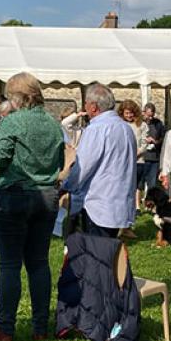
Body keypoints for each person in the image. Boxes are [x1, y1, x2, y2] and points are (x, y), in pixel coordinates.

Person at [0, 72, 63, 341]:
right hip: (47, 196)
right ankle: (41, 328)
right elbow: (60, 159)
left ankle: (5, 329)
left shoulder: (11, 123)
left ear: (15, 97)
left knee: (10, 265)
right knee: (39, 263)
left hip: (13, 196)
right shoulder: (52, 123)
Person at [61, 84, 137, 238]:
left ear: (94, 107)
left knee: (96, 255)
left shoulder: (97, 129)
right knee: (107, 254)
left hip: (98, 205)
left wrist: (66, 186)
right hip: (119, 203)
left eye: (87, 104)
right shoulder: (126, 129)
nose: (85, 107)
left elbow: (83, 167)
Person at [118, 100, 148, 215]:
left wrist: (136, 154)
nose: (129, 116)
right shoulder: (120, 125)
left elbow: (144, 143)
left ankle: (136, 207)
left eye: (131, 113)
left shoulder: (142, 125)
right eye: (126, 113)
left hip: (138, 160)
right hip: (123, 161)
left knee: (137, 185)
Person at [139, 103, 164, 193]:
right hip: (142, 157)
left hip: (154, 158)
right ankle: (138, 204)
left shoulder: (158, 124)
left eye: (152, 116)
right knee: (140, 183)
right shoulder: (139, 123)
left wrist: (155, 141)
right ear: (143, 112)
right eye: (148, 116)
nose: (150, 118)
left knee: (152, 183)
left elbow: (162, 138)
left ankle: (149, 201)